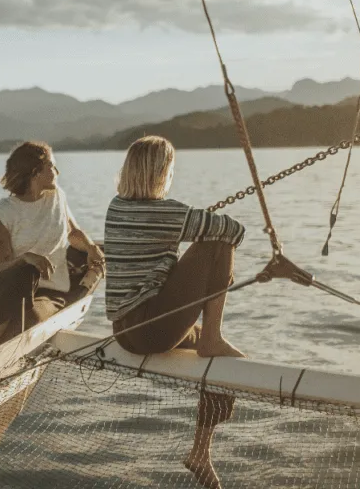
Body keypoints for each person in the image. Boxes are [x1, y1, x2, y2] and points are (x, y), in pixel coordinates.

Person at [103, 136, 246, 489]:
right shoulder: (169, 213)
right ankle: (211, 337)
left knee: (225, 368)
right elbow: (234, 231)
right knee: (218, 242)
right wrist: (197, 221)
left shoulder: (115, 207)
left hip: (124, 329)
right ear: (162, 171)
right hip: (151, 330)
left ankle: (201, 453)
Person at [0, 141, 105, 357]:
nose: (57, 171)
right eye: (52, 165)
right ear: (35, 172)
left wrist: (91, 247)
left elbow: (73, 232)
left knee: (32, 321)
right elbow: (3, 266)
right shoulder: (0, 214)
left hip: (49, 289)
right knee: (25, 273)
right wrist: (27, 258)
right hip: (5, 287)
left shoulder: (57, 196)